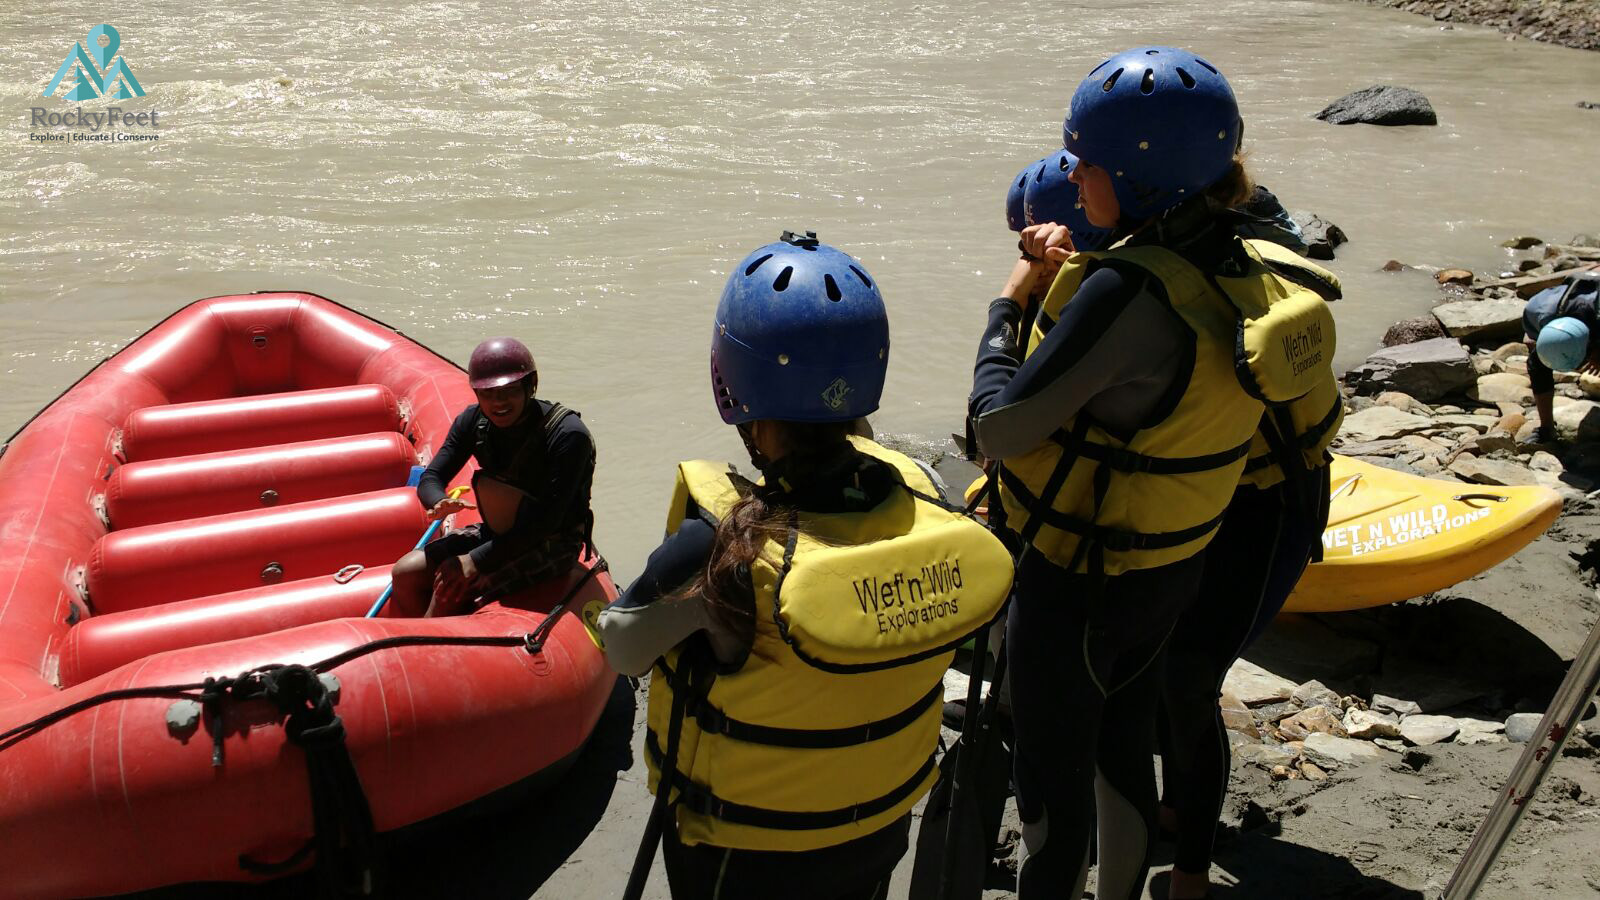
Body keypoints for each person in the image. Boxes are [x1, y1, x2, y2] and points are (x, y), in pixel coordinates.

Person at [596, 231, 1012, 900]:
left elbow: (621, 646)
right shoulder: (923, 494)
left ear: (732, 380)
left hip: (747, 852)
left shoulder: (718, 543)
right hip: (876, 825)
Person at [969, 47, 1276, 899]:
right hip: (1167, 573)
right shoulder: (1232, 255)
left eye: (1084, 160)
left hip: (1076, 584)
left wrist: (1012, 302)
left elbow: (995, 428)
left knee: (1053, 784)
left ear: (1139, 179)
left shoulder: (1126, 290)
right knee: (1125, 749)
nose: (1072, 173)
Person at [387, 337, 595, 617]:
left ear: (529, 385)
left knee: (450, 585)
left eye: (508, 391)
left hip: (552, 542)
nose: (498, 403)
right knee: (405, 572)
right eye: (487, 394)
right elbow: (432, 476)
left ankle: (420, 646)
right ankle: (413, 636)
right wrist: (438, 501)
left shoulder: (567, 435)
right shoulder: (474, 421)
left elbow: (546, 522)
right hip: (499, 533)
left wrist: (475, 560)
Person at [1523, 272, 1600, 441]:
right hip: (1557, 312)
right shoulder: (1537, 311)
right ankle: (1546, 428)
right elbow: (1529, 339)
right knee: (1537, 363)